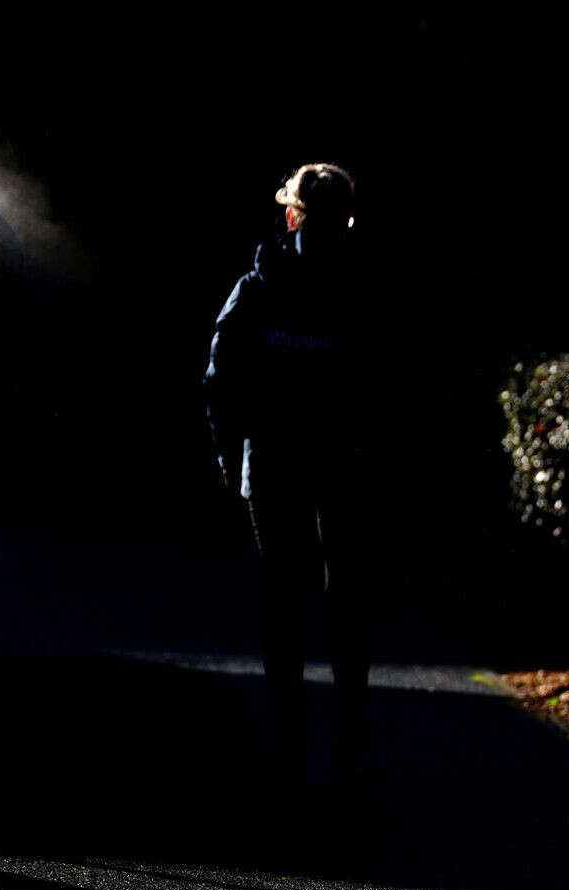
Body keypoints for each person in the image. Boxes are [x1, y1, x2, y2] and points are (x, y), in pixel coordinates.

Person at [203, 162, 365, 789]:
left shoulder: (259, 284)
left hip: (271, 462)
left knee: (284, 602)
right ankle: (346, 731)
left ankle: (289, 736)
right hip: (343, 464)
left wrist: (226, 455)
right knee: (346, 599)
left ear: (290, 214)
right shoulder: (362, 288)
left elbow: (221, 379)